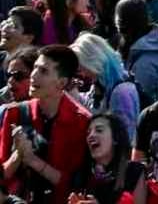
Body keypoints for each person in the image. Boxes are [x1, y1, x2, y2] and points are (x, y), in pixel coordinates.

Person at [0, 44, 91, 204]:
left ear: (62, 83)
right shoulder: (16, 114)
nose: (34, 75)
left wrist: (33, 160)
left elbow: (73, 184)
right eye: (35, 68)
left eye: (44, 71)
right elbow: (3, 176)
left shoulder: (81, 122)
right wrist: (18, 156)